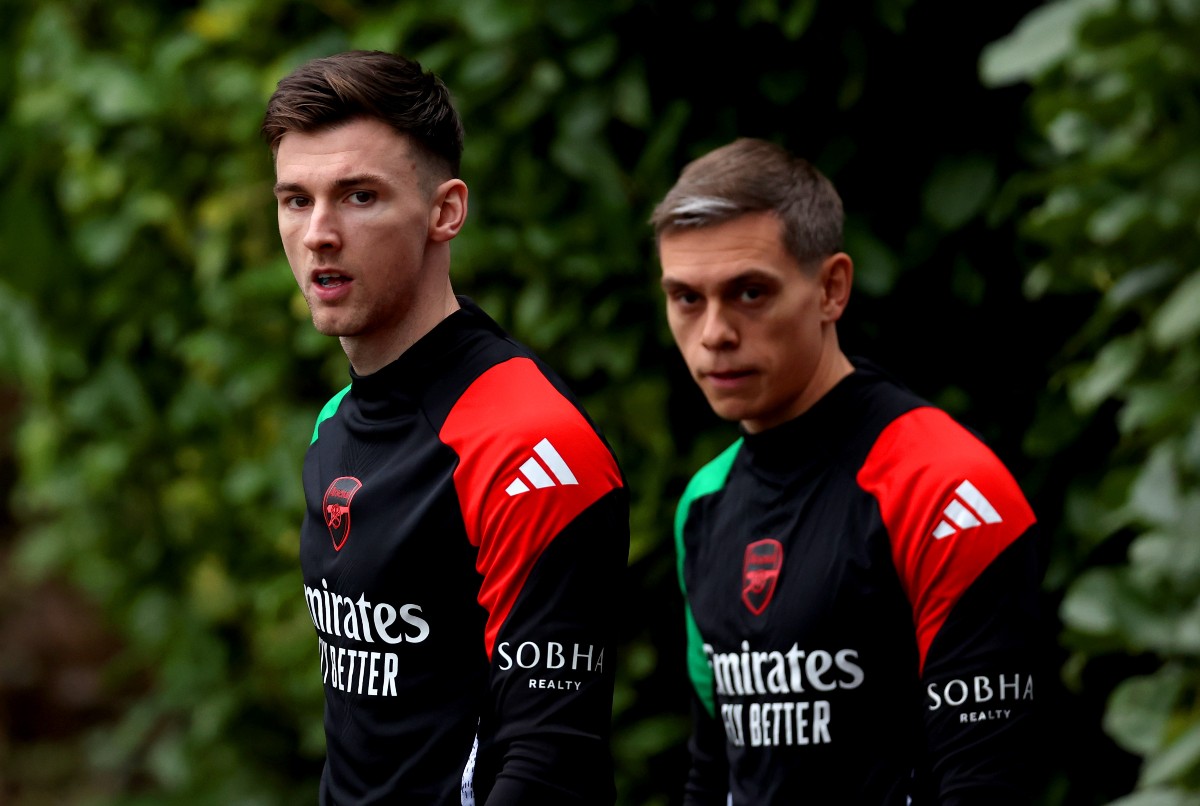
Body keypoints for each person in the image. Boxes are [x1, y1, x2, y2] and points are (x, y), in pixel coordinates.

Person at [261, 50, 629, 805]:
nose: (319, 234)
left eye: (359, 196)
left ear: (446, 210)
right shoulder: (334, 425)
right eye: (296, 201)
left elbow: (549, 763)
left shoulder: (532, 445)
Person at [651, 137, 1042, 804]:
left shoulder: (948, 488)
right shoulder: (704, 502)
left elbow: (986, 779)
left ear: (831, 288)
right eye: (687, 299)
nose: (714, 332)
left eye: (749, 292)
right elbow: (712, 769)